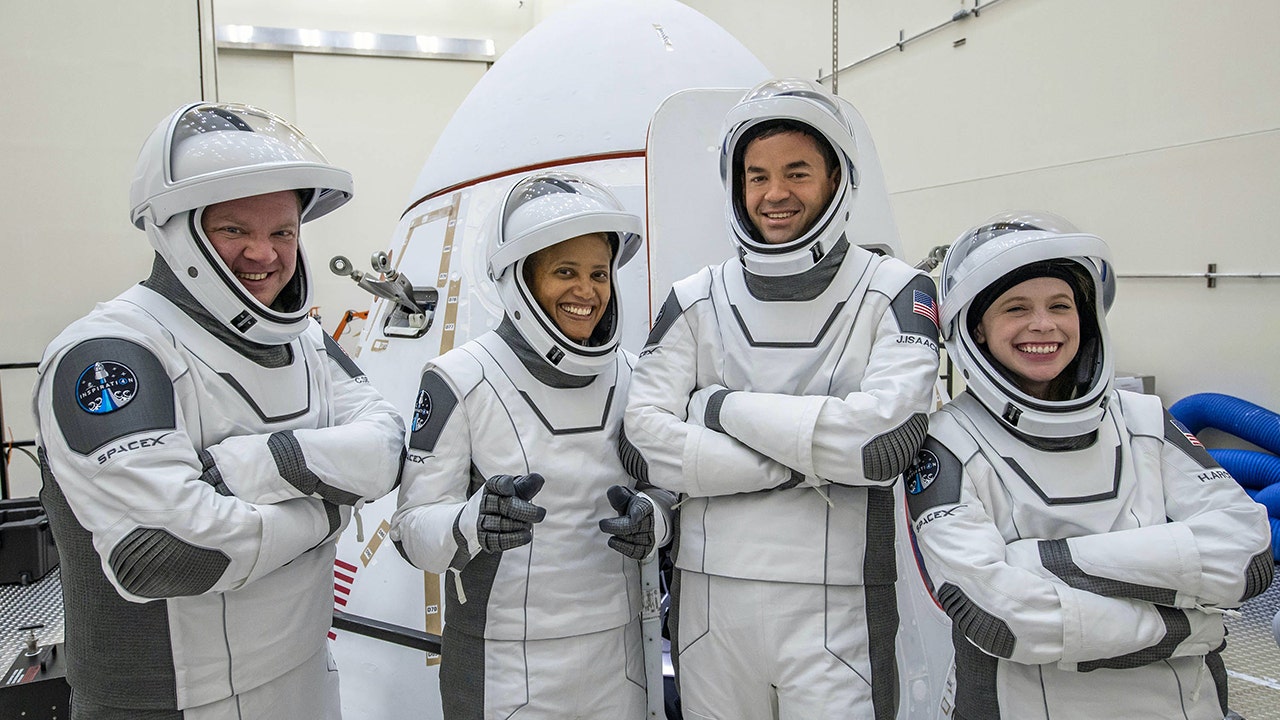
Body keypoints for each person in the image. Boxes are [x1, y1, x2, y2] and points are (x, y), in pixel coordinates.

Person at [32, 102, 406, 720]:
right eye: (234, 230)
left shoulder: (307, 341)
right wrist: (332, 508)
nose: (264, 254)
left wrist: (260, 465)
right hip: (170, 701)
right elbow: (164, 552)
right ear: (176, 230)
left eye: (283, 232)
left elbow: (387, 446)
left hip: (307, 672)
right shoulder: (110, 353)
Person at [623, 78, 941, 720]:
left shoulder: (899, 292)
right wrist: (802, 464)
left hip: (842, 606)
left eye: (797, 172)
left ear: (836, 179)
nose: (775, 194)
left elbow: (880, 445)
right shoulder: (694, 298)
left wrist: (714, 408)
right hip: (708, 603)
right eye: (757, 176)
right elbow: (641, 442)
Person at [904, 212, 1274, 719]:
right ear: (977, 330)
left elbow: (1248, 556)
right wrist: (1186, 628)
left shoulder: (1144, 419)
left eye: (1061, 305)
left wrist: (1035, 563)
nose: (1043, 324)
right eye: (1016, 308)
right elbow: (1001, 617)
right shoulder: (945, 442)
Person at [389, 171, 675, 719]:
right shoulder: (459, 378)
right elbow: (409, 529)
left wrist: (655, 520)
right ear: (519, 278)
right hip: (503, 667)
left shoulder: (634, 375)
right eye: (565, 271)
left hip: (619, 661)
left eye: (598, 273)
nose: (587, 291)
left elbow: (667, 487)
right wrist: (470, 523)